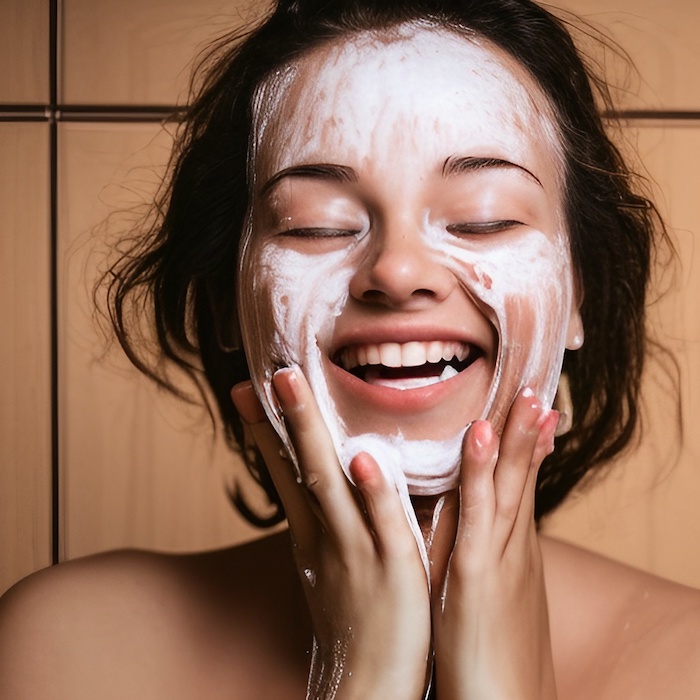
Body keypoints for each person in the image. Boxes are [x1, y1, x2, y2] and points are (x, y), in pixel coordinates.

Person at [1, 0, 699, 697]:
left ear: (576, 293)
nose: (396, 271)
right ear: (225, 305)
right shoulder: (66, 650)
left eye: (483, 219)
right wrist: (359, 677)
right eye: (316, 227)